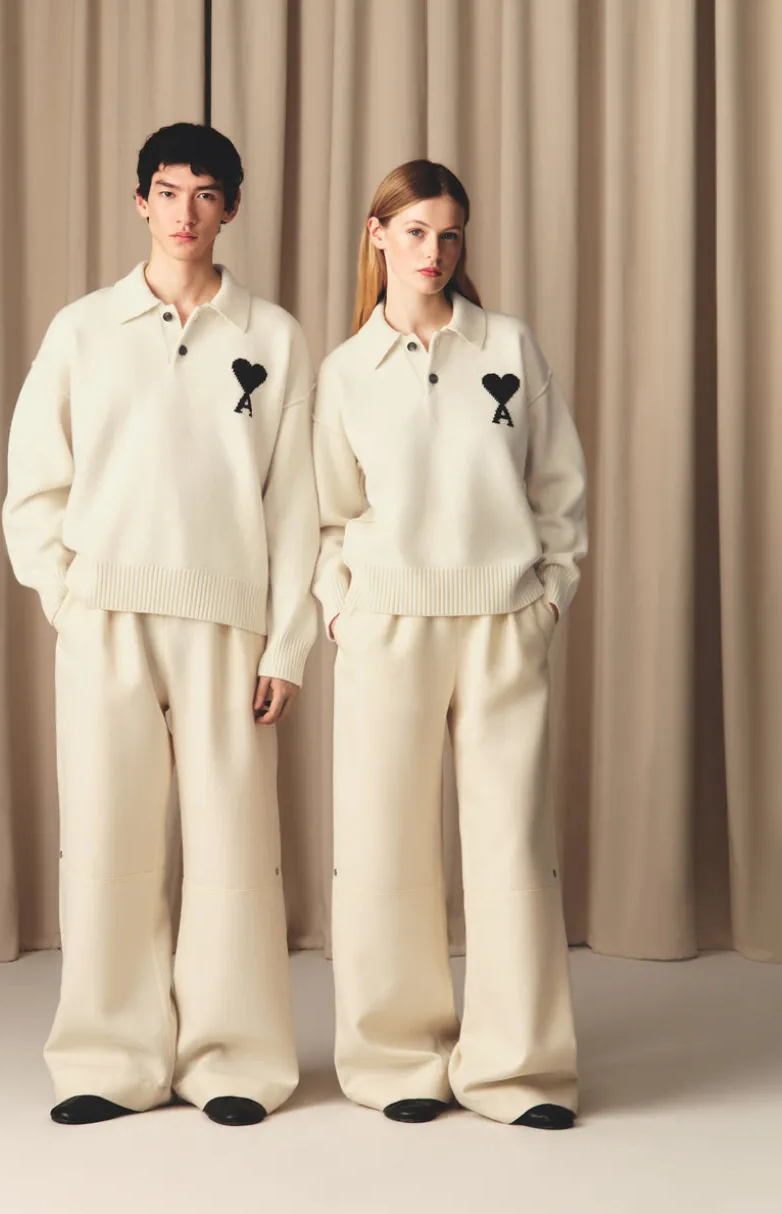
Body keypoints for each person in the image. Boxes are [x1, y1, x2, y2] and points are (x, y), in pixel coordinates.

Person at [2, 122, 319, 1128]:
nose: (186, 212)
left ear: (231, 208)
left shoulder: (273, 338)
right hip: (107, 622)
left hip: (228, 624)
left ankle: (234, 1060)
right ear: (140, 200)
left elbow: (295, 505)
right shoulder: (82, 330)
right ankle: (108, 1058)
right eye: (169, 191)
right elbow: (33, 486)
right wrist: (70, 598)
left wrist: (286, 644)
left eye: (206, 194)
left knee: (234, 851)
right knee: (105, 842)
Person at [312, 160, 587, 1129]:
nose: (434, 251)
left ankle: (518, 1070)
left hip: (501, 625)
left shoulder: (507, 345)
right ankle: (395, 1060)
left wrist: (548, 596)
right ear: (378, 234)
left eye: (449, 233)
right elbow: (328, 517)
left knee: (512, 849)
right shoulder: (345, 372)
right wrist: (342, 610)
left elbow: (559, 491)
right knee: (382, 848)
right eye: (416, 231)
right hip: (387, 630)